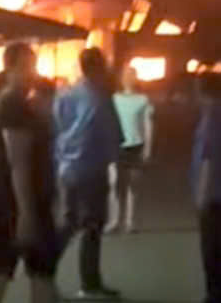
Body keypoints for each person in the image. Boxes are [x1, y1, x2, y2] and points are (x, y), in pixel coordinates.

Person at [0, 43, 59, 303]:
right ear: (11, 68)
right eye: (27, 67)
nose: (32, 72)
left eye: (33, 66)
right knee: (10, 271)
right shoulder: (12, 104)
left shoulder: (17, 102)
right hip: (14, 202)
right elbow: (18, 162)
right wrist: (26, 213)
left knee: (21, 270)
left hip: (15, 199)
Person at [55, 48, 122, 300]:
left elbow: (58, 127)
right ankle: (90, 282)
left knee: (69, 221)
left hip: (67, 167)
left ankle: (43, 269)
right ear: (99, 67)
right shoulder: (101, 98)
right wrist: (116, 161)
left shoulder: (66, 95)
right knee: (92, 225)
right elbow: (111, 134)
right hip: (92, 168)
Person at [191, 73, 221, 303]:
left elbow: (207, 157)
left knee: (209, 245)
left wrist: (201, 192)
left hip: (212, 191)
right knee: (218, 242)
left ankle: (215, 292)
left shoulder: (211, 118)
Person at [106, 66, 154, 235]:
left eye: (132, 75)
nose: (129, 78)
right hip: (116, 146)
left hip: (136, 146)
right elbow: (109, 123)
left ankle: (130, 221)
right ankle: (114, 220)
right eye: (126, 75)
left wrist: (147, 147)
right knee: (115, 185)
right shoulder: (114, 99)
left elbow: (148, 125)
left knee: (133, 185)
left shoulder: (143, 100)